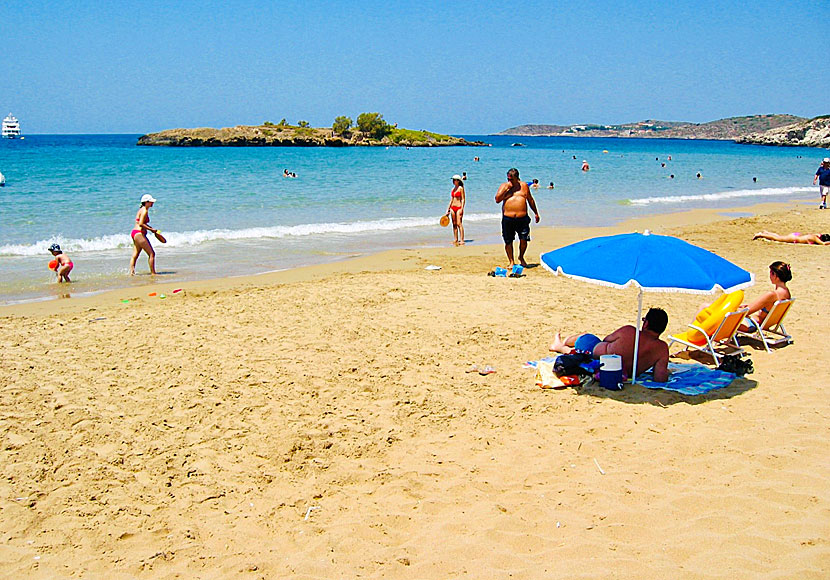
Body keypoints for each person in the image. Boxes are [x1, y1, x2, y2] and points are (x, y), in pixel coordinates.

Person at [549, 307, 670, 382]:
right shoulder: (662, 348)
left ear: (646, 324)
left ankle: (561, 345)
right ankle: (563, 344)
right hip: (623, 372)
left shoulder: (630, 331)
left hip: (595, 358)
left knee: (586, 337)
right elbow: (660, 378)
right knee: (588, 344)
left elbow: (606, 339)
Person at [495, 168, 540, 268]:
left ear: (517, 178)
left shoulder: (524, 186)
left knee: (524, 240)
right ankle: (511, 261)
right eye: (508, 179)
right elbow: (497, 199)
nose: (509, 181)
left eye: (511, 179)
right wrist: (507, 189)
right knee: (508, 241)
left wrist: (536, 213)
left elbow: (530, 200)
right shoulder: (504, 186)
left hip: (522, 218)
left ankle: (521, 257)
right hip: (508, 218)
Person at [738, 261, 792, 331]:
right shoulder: (787, 293)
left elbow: (746, 312)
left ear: (775, 276)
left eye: (771, 274)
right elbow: (767, 305)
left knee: (725, 317)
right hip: (767, 323)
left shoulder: (772, 295)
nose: (770, 276)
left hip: (753, 325)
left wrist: (735, 309)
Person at [130, 194, 160, 275]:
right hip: (139, 234)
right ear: (146, 202)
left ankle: (132, 273)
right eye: (151, 202)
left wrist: (151, 229)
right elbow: (141, 224)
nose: (152, 203)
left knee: (135, 254)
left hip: (134, 233)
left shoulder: (141, 209)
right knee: (151, 254)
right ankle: (153, 273)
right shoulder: (144, 211)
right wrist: (151, 229)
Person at [446, 174, 466, 246]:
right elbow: (451, 199)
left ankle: (462, 240)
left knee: (459, 223)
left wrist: (462, 208)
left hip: (458, 207)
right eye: (453, 180)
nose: (453, 181)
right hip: (452, 207)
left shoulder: (461, 188)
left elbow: (463, 199)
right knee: (454, 224)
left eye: (454, 180)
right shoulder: (453, 189)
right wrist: (448, 209)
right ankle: (455, 239)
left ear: (458, 181)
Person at [752, 231, 830, 245]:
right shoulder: (815, 238)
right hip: (795, 239)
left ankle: (766, 233)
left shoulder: (815, 235)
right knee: (777, 238)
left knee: (779, 237)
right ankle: (761, 235)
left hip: (796, 236)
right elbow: (823, 244)